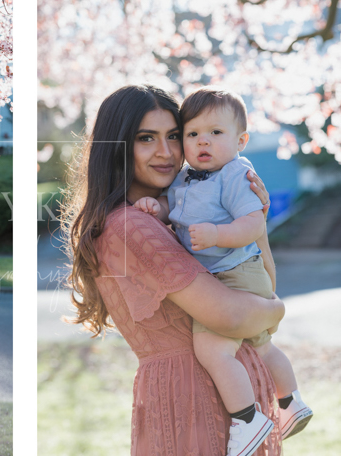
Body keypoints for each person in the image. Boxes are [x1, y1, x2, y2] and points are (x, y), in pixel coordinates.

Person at [60, 84, 287, 455]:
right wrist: (276, 311)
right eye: (146, 138)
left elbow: (257, 285)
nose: (166, 153)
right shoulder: (132, 227)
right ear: (118, 147)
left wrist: (253, 222)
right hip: (196, 401)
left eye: (174, 137)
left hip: (230, 398)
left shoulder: (174, 219)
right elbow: (231, 314)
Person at [133, 86, 312, 450]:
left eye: (216, 133)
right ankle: (290, 402)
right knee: (262, 345)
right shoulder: (185, 177)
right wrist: (158, 209)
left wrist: (218, 233)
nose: (203, 142)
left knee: (214, 351)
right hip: (226, 275)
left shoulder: (234, 173)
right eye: (193, 134)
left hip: (237, 271)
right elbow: (176, 207)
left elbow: (253, 224)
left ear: (240, 140)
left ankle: (247, 419)